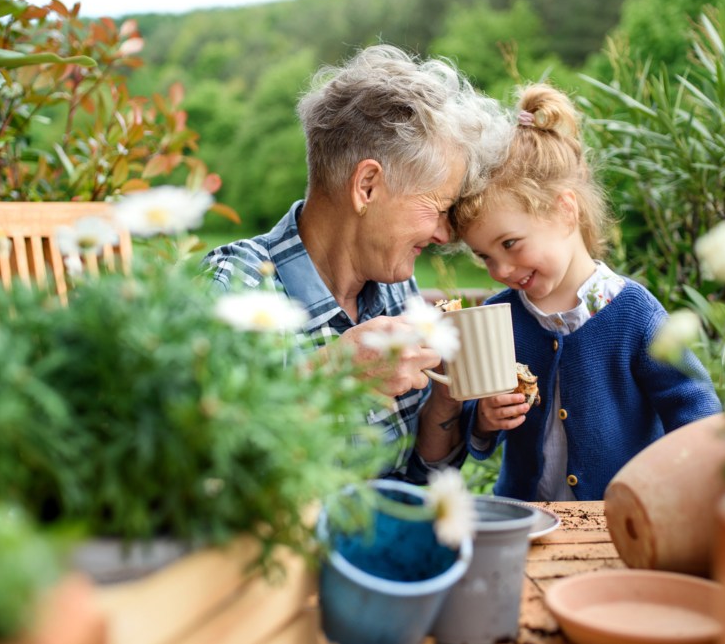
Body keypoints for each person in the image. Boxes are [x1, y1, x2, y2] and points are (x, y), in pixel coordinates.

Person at [203, 45, 512, 484]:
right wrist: (333, 376)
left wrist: (446, 396)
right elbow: (194, 457)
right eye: (437, 208)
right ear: (367, 186)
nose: (444, 235)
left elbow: (417, 478)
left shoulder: (391, 289)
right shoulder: (237, 286)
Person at [448, 83, 724, 501]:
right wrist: (485, 419)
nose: (500, 270)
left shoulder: (633, 313)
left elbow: (693, 408)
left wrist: (687, 486)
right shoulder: (498, 317)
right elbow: (476, 423)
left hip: (618, 523)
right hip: (526, 519)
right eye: (485, 257)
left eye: (509, 244)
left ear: (565, 211)